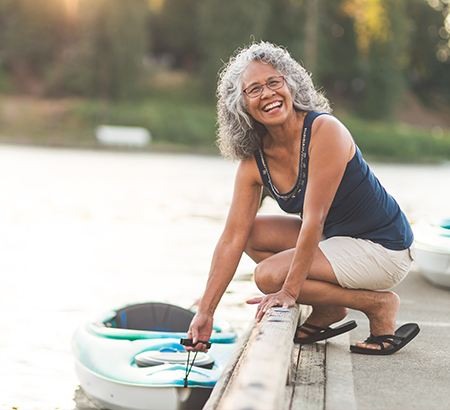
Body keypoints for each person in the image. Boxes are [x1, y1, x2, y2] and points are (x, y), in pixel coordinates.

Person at [186, 41, 419, 355]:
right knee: (251, 234)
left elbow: (314, 219)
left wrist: (288, 291)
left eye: (273, 82)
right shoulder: (254, 162)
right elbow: (232, 239)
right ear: (240, 105)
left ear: (290, 84)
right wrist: (206, 310)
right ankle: (330, 308)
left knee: (268, 276)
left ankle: (378, 305)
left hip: (384, 247)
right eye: (253, 89)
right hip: (336, 240)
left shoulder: (325, 131)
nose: (267, 94)